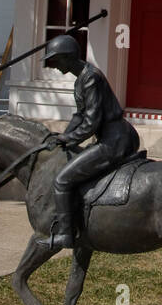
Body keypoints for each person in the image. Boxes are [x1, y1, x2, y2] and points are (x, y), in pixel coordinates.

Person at [41, 35, 140, 249]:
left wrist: (70, 138)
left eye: (56, 60)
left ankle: (65, 235)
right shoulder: (81, 78)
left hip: (114, 140)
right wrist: (62, 137)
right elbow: (79, 116)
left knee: (62, 180)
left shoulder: (90, 78)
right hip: (109, 136)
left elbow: (91, 122)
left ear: (67, 57)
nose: (55, 66)